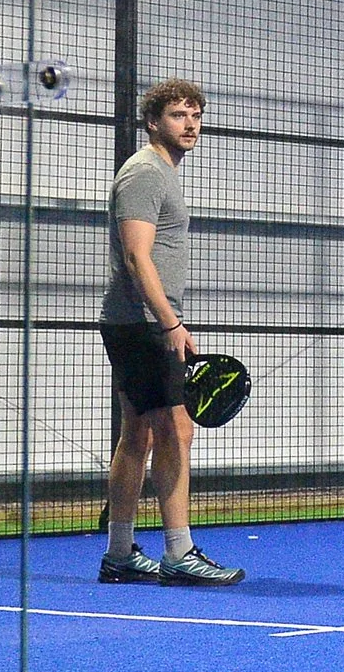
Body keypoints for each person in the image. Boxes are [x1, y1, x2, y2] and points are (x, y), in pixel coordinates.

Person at [97, 80, 246, 586]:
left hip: (138, 322)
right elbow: (138, 255)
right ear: (153, 121)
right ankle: (179, 552)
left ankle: (119, 554)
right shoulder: (144, 174)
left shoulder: (161, 173)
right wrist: (171, 323)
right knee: (176, 430)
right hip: (142, 324)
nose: (191, 124)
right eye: (180, 115)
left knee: (136, 432)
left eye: (196, 115)